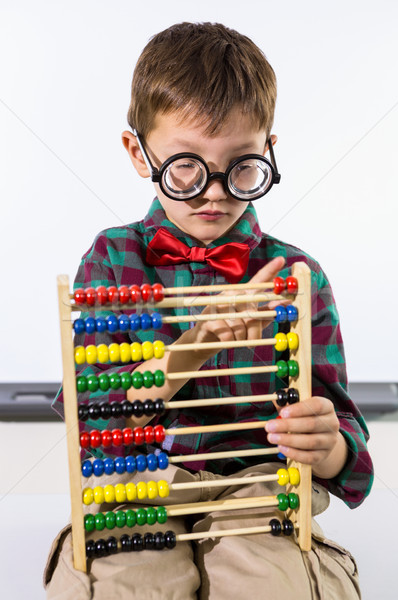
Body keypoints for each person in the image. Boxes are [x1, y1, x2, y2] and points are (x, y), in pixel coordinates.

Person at [45, 22, 373, 600]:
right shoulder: (113, 258)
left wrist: (331, 446)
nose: (214, 192)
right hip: (138, 483)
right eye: (186, 167)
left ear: (269, 151)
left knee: (279, 586)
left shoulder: (298, 277)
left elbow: (348, 443)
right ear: (137, 153)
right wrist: (195, 344)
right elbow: (91, 423)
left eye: (242, 166)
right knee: (120, 584)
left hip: (257, 488)